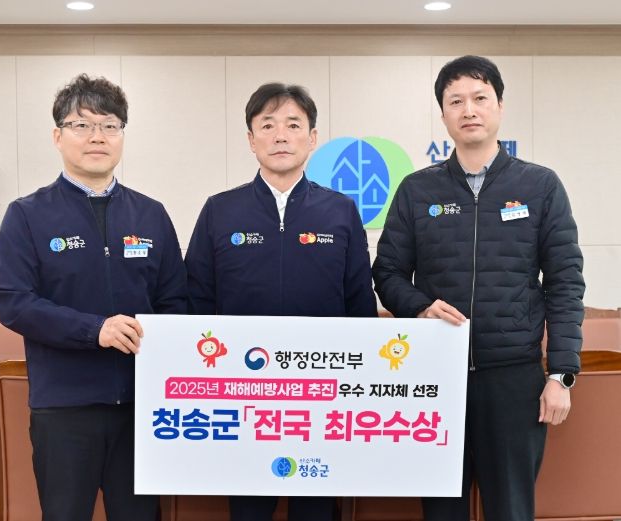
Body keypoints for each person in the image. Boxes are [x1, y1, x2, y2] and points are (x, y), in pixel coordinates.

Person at [372, 55, 585, 521]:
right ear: (443, 114)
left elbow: (565, 282)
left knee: (510, 509)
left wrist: (561, 374)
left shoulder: (540, 186)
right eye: (456, 101)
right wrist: (419, 307)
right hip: (434, 378)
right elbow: (386, 272)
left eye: (479, 98)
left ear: (499, 106)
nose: (468, 110)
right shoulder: (417, 190)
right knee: (441, 510)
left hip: (514, 380)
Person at [0, 73, 187, 521]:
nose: (97, 136)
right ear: (57, 136)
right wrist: (94, 330)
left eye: (110, 125)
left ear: (122, 136)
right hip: (64, 407)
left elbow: (176, 301)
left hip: (142, 407)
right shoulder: (27, 215)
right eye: (82, 125)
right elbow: (13, 300)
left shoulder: (151, 214)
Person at [185, 82, 377, 521]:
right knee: (248, 508)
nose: (280, 136)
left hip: (321, 395)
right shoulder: (220, 210)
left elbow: (359, 303)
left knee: (316, 509)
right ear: (251, 139)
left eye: (293, 125)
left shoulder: (340, 210)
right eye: (267, 125)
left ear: (312, 138)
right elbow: (196, 300)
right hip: (242, 395)